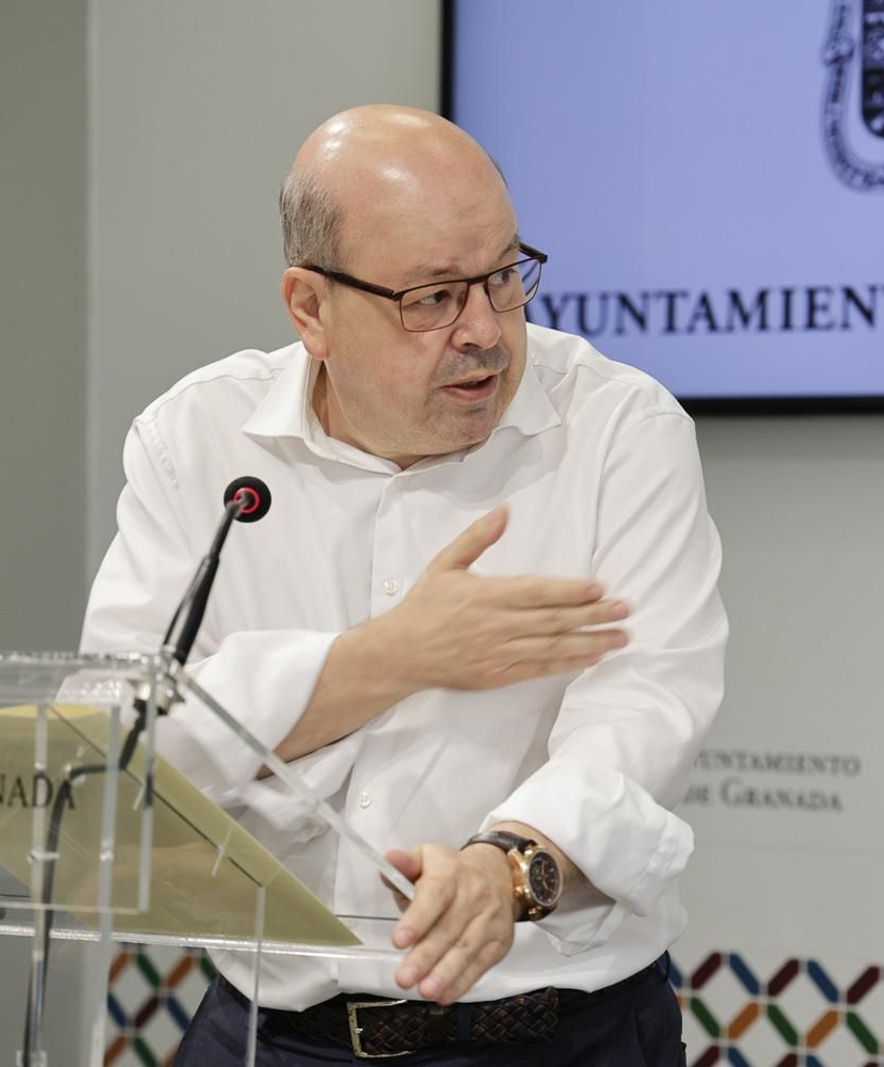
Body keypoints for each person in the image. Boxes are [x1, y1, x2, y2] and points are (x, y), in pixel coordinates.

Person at [81, 105, 727, 1064]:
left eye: (504, 277)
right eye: (430, 297)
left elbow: (644, 710)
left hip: (558, 1035)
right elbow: (110, 745)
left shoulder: (619, 429)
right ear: (310, 308)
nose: (486, 331)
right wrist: (384, 660)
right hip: (274, 1034)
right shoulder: (196, 445)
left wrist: (503, 869)